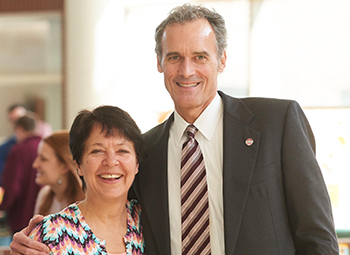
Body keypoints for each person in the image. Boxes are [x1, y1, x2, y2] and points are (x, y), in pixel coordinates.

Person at [10, 3, 339, 255]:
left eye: (199, 56)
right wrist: (39, 235)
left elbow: (318, 236)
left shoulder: (277, 122)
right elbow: (108, 214)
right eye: (174, 57)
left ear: (222, 59)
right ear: (159, 62)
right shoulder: (145, 151)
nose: (186, 70)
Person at [29, 106, 145, 254]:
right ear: (79, 164)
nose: (111, 162)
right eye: (97, 151)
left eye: (122, 151)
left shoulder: (149, 221)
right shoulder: (52, 233)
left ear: (136, 163)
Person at [0, 115, 42, 234]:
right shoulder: (45, 146)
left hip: (22, 214)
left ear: (19, 129)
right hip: (45, 213)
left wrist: (3, 206)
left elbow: (12, 186)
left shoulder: (18, 151)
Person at [33, 131, 85, 216]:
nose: (35, 165)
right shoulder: (44, 195)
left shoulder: (87, 203)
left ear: (64, 166)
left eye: (43, 159)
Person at [0, 104, 27, 182]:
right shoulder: (5, 147)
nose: (19, 125)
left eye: (20, 119)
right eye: (14, 120)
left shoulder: (38, 144)